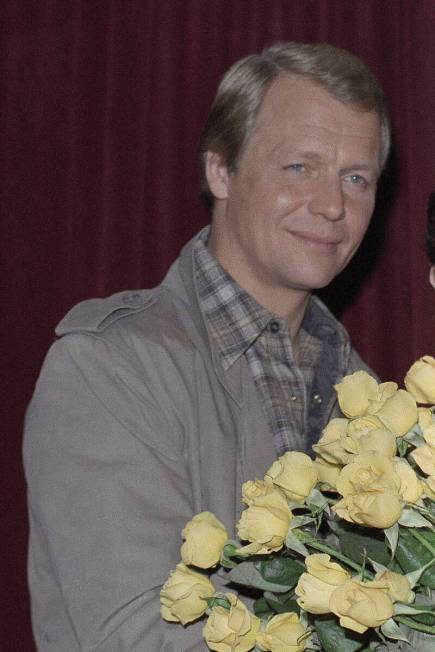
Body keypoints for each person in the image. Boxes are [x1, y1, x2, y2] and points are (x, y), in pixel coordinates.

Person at [23, 42, 389, 651]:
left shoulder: (373, 399)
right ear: (220, 170)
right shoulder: (106, 369)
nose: (332, 205)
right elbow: (137, 639)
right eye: (299, 167)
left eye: (357, 178)